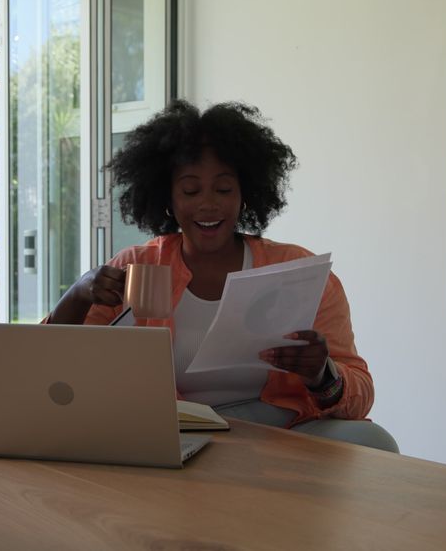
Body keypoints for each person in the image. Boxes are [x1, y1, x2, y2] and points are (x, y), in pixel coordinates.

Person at [48, 101, 397, 452]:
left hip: (281, 434)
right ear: (167, 198)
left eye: (224, 189)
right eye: (190, 190)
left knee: (374, 442)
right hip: (174, 432)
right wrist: (78, 292)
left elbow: (359, 397)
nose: (208, 204)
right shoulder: (135, 266)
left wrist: (323, 373)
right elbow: (48, 368)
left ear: (245, 195)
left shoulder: (297, 271)